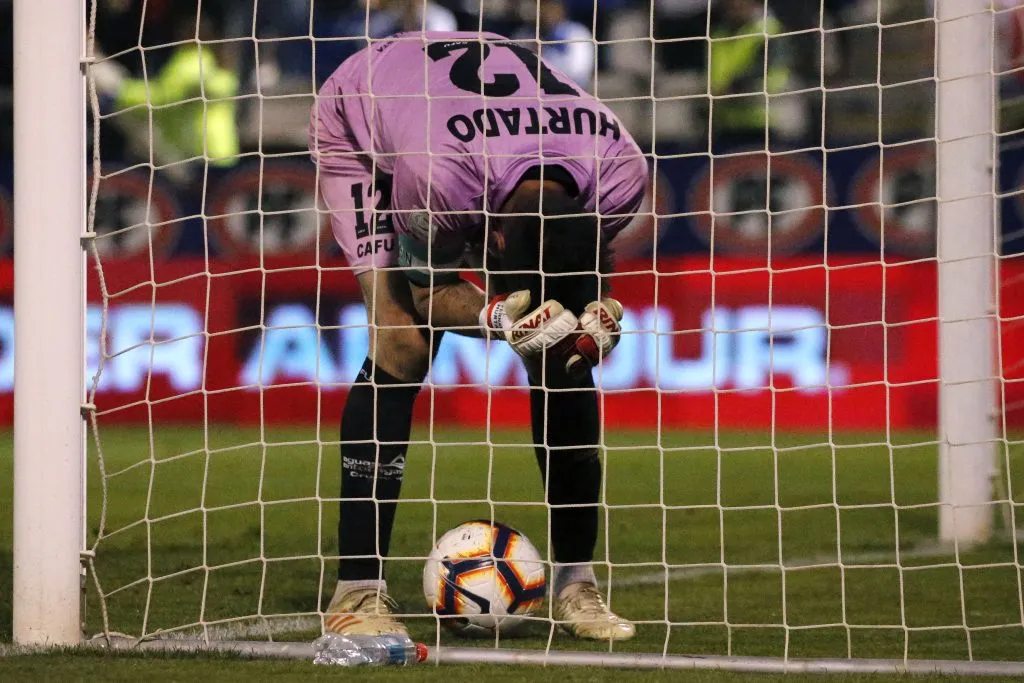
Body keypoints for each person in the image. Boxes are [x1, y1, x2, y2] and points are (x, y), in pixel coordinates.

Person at [309, 30, 648, 641]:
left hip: (469, 134)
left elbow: (586, 263)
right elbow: (425, 291)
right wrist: (500, 319)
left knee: (565, 359)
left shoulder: (620, 172)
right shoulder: (436, 181)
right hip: (369, 119)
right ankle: (356, 592)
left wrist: (595, 317)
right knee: (403, 343)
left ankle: (578, 585)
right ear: (487, 245)